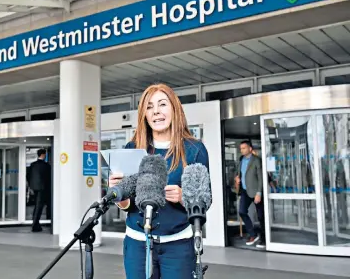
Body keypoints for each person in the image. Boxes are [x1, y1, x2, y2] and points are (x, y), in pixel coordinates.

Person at [109, 83, 210, 279]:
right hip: (138, 246)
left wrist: (184, 197)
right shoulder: (132, 148)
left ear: (174, 108)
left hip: (179, 247)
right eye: (149, 107)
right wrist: (117, 192)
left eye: (162, 104)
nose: (156, 112)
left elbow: (206, 200)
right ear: (144, 115)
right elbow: (128, 205)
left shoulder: (195, 149)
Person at [235, 141, 265, 248]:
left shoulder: (256, 160)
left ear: (250, 149)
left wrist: (259, 193)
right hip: (245, 191)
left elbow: (261, 178)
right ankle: (253, 234)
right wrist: (237, 178)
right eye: (241, 148)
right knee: (242, 211)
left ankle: (264, 239)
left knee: (261, 216)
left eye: (244, 148)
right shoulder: (241, 160)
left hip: (256, 191)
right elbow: (239, 173)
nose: (241, 150)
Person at [28, 148, 51, 232]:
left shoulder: (32, 165)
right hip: (43, 189)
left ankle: (35, 223)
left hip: (34, 188)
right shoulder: (46, 166)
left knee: (37, 206)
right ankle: (35, 225)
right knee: (39, 207)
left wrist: (31, 186)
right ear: (43, 155)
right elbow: (48, 178)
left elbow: (28, 176)